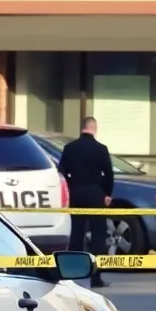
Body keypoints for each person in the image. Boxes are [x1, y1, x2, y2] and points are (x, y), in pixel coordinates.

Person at [58, 116, 115, 288]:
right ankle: (95, 278)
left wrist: (70, 187)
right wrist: (106, 193)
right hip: (96, 193)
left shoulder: (70, 148)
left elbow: (62, 171)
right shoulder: (101, 149)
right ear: (94, 129)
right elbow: (109, 174)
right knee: (98, 234)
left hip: (76, 193)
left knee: (76, 233)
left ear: (82, 128)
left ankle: (71, 276)